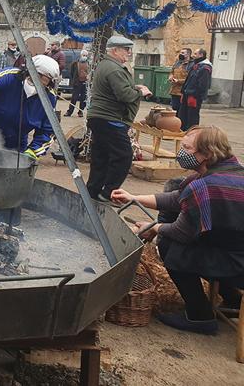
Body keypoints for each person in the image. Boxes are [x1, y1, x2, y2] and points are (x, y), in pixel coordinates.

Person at [111, 126, 244, 334]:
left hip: (237, 265)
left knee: (171, 246)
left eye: (187, 148)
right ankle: (233, 297)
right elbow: (176, 198)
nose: (181, 152)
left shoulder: (205, 186)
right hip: (235, 250)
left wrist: (154, 228)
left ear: (206, 153)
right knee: (214, 241)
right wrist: (134, 198)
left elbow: (181, 232)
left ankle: (200, 316)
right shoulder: (229, 170)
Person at [86, 36, 152, 202]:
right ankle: (108, 193)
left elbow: (115, 88)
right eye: (126, 49)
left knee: (101, 157)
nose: (129, 53)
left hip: (100, 118)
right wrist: (140, 92)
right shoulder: (115, 69)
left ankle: (92, 194)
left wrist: (134, 87)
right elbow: (124, 95)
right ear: (115, 50)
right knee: (123, 156)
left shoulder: (107, 65)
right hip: (111, 119)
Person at [0, 54, 60, 158]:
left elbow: (48, 130)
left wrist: (33, 151)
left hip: (16, 145)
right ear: (28, 71)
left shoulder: (49, 98)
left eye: (45, 80)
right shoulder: (8, 77)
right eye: (37, 76)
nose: (39, 82)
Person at [177, 48, 212, 131]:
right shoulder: (196, 65)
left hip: (194, 96)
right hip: (187, 93)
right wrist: (183, 91)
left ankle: (191, 132)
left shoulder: (205, 68)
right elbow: (188, 79)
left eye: (195, 54)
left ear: (201, 55)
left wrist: (195, 94)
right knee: (183, 114)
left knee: (192, 115)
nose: (193, 55)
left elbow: (203, 85)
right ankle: (183, 130)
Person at [65, 49, 89, 117]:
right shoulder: (75, 63)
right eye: (83, 55)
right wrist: (75, 80)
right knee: (74, 98)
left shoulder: (89, 63)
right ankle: (69, 112)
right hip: (77, 83)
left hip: (85, 83)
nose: (84, 56)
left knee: (83, 98)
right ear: (81, 55)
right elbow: (72, 73)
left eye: (86, 55)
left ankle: (80, 112)